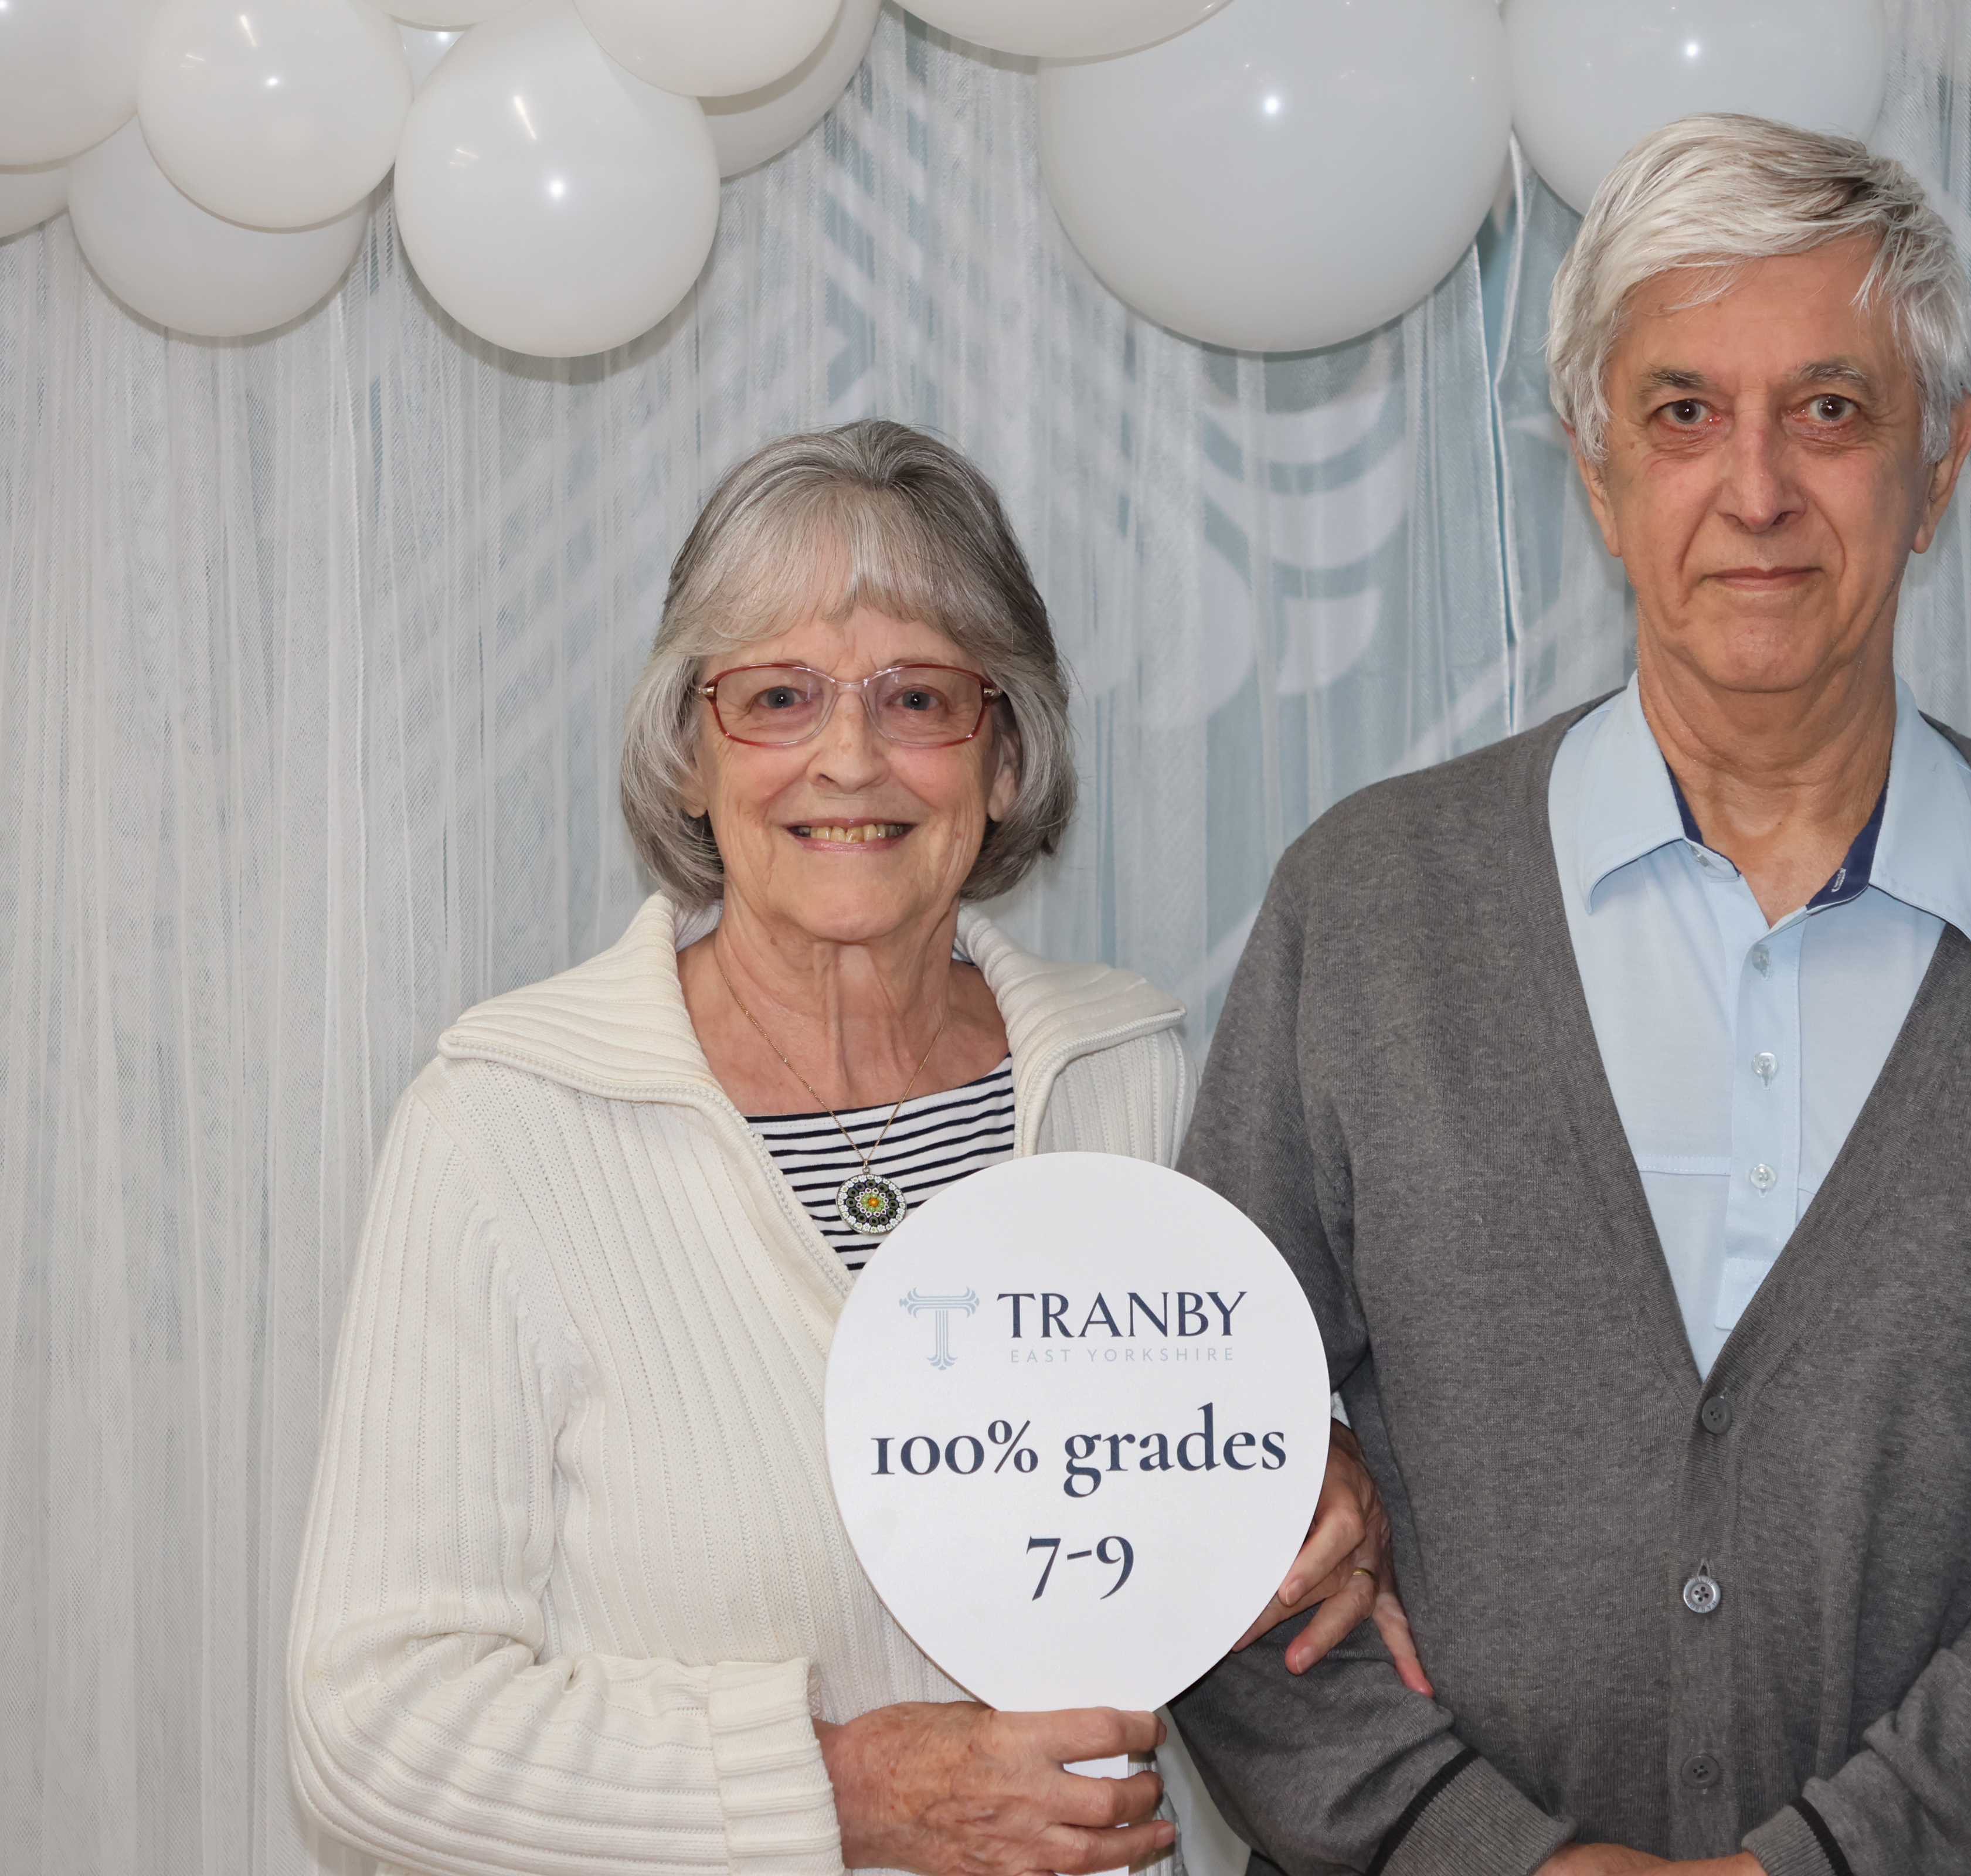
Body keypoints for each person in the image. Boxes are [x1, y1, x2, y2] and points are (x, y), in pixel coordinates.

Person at [1167, 116, 1971, 1876]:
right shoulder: (1367, 909)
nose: (1756, 490)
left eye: (1830, 410)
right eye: (1684, 413)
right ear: (1598, 473)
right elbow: (1199, 1461)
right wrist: (1495, 1860)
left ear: (1942, 466)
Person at [288, 421, 1423, 1876]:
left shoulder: (1128, 1082)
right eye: (777, 697)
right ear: (688, 754)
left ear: (1004, 757)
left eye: (919, 698)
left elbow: (1202, 1503)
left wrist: (1314, 1474)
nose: (849, 758)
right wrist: (840, 1789)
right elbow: (373, 1726)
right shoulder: (504, 1128)